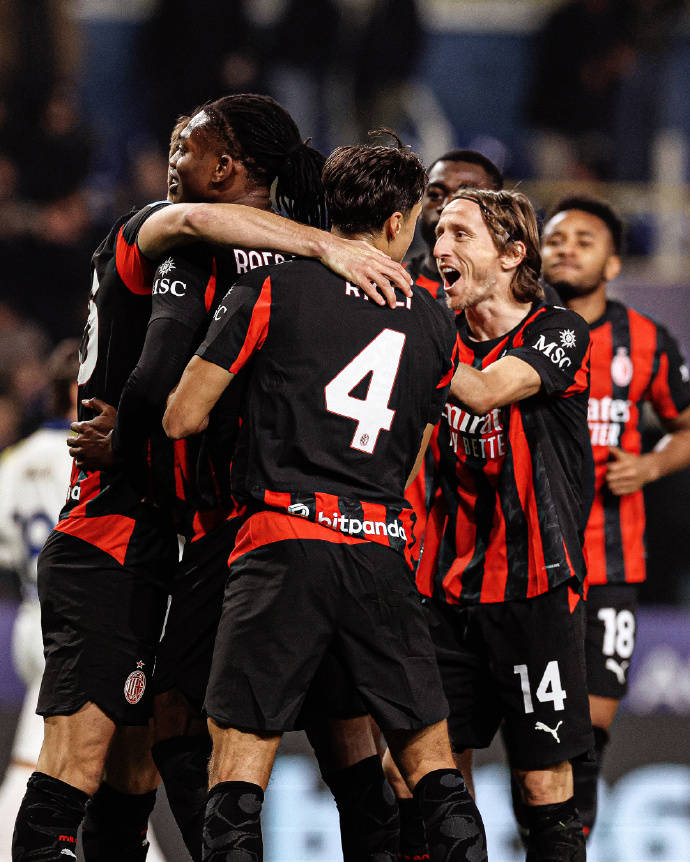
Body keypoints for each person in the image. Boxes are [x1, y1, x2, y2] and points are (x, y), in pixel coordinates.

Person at [12, 95, 412, 862]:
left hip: (192, 540)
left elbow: (163, 378)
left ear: (226, 164)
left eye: (183, 145)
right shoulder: (162, 236)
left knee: (137, 773)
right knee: (84, 768)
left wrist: (135, 438)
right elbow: (194, 225)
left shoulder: (233, 266)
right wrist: (327, 248)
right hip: (119, 535)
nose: (170, 158)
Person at [163, 134, 487, 862]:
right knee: (438, 784)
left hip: (281, 545)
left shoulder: (273, 287)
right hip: (380, 555)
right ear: (399, 222)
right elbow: (415, 450)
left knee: (236, 785)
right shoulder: (432, 320)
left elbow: (182, 416)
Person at [414, 189, 594, 861]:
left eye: (460, 234)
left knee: (542, 782)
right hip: (442, 591)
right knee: (425, 776)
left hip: (533, 589)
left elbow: (487, 391)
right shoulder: (439, 330)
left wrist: (409, 332)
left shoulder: (559, 330)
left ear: (513, 253)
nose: (440, 247)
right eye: (438, 233)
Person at [539, 194, 690, 837]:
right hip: (525, 568)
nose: (566, 248)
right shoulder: (511, 328)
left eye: (584, 240)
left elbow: (686, 426)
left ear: (614, 263)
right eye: (555, 238)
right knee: (525, 742)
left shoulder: (646, 341)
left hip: (609, 565)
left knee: (586, 741)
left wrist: (651, 466)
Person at [0, 341, 78, 862]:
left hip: (31, 616)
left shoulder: (16, 457)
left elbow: (6, 547)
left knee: (101, 768)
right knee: (35, 765)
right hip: (71, 631)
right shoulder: (91, 453)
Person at [405, 149, 504, 303]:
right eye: (435, 195)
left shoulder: (525, 293)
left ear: (499, 211)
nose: (447, 205)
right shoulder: (390, 284)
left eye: (467, 196)